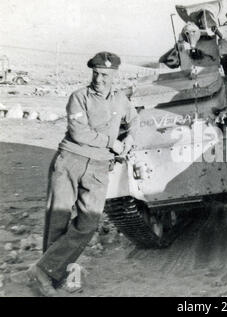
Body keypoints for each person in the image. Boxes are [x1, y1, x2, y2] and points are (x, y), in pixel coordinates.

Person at [27, 52, 139, 296]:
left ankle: (43, 270)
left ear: (115, 75)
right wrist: (114, 142)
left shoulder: (121, 100)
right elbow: (80, 134)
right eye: (96, 73)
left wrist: (130, 136)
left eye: (105, 75)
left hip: (99, 168)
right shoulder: (78, 97)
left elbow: (134, 120)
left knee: (88, 223)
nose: (99, 79)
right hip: (70, 161)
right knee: (58, 219)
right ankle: (52, 280)